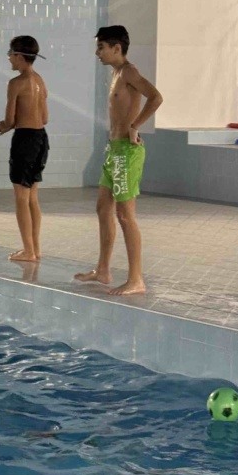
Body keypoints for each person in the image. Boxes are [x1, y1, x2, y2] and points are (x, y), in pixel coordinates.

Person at [74, 25, 162, 296]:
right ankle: (103, 270)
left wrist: (135, 125)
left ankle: (136, 279)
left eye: (101, 47)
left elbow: (156, 97)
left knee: (125, 215)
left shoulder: (128, 72)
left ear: (116, 48)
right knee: (103, 208)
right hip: (114, 149)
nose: (97, 52)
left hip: (126, 151)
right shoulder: (116, 74)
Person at [0, 35, 49, 262]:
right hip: (41, 139)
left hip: (25, 140)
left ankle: (28, 251)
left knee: (21, 198)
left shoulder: (15, 83)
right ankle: (35, 249)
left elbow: (10, 119)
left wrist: (4, 126)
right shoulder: (40, 80)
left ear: (19, 56)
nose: (9, 58)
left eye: (10, 54)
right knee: (32, 197)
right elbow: (45, 118)